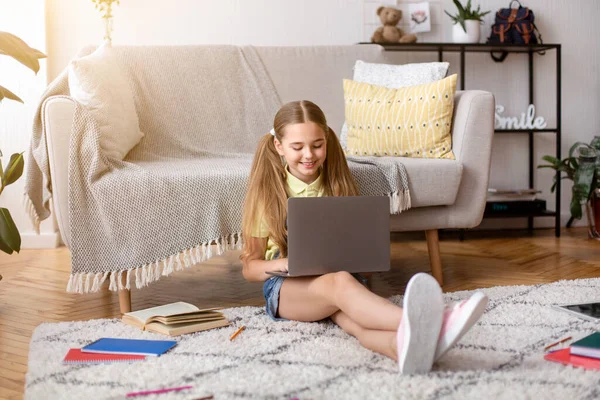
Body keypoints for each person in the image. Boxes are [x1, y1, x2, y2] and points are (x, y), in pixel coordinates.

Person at [241, 100, 488, 374]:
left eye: (317, 144)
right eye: (297, 147)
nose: (309, 154)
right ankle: (436, 323)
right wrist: (282, 263)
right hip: (286, 289)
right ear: (279, 147)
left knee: (355, 322)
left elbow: (359, 256)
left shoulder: (337, 183)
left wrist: (365, 258)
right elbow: (250, 268)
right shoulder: (268, 194)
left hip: (337, 280)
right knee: (341, 283)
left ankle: (400, 347)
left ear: (327, 140)